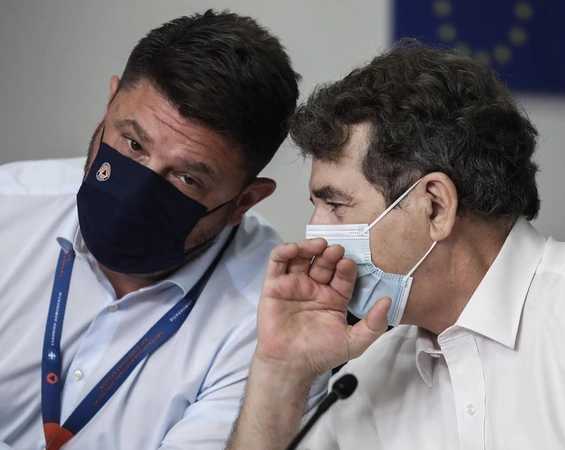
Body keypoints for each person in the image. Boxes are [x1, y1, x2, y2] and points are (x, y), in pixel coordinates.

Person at [226, 40, 565, 449]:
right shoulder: (368, 375)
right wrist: (281, 370)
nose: (314, 236)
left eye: (335, 205)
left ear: (435, 207)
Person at [0, 10, 327, 450]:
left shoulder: (270, 325)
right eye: (133, 144)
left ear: (244, 202)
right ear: (109, 105)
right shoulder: (9, 207)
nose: (136, 194)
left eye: (187, 178)